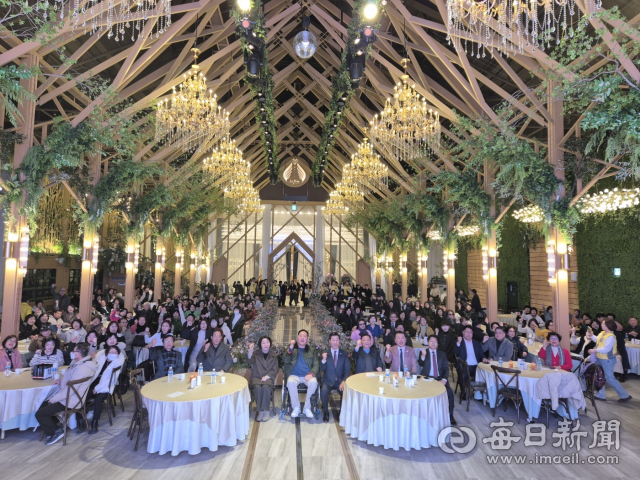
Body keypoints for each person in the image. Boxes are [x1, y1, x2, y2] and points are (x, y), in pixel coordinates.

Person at [35, 343, 98, 445]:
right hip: (69, 396)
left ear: (78, 354)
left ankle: (55, 432)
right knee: (42, 405)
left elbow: (70, 391)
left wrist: (54, 399)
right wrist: (61, 382)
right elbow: (72, 384)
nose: (72, 353)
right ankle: (56, 425)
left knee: (40, 413)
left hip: (70, 401)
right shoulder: (80, 363)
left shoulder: (82, 369)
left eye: (74, 351)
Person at [85, 345, 126, 433]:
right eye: (111, 352)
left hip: (105, 387)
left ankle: (94, 422)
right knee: (83, 396)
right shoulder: (101, 359)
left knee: (98, 399)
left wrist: (97, 388)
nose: (113, 354)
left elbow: (109, 381)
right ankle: (81, 420)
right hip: (94, 383)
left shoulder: (116, 365)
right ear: (107, 353)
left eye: (115, 353)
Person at [590, 319, 632, 402]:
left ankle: (624, 395)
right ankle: (601, 395)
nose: (601, 325)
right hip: (600, 358)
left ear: (608, 326)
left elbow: (606, 349)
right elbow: (597, 340)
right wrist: (591, 336)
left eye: (603, 324)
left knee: (610, 378)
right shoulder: (603, 333)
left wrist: (595, 350)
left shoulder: (611, 337)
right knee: (600, 377)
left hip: (607, 360)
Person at [419, 336, 456, 425]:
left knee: (449, 392)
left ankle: (450, 415)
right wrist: (423, 356)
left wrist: (444, 379)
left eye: (435, 341)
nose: (433, 343)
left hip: (439, 378)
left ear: (438, 344)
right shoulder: (423, 352)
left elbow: (446, 368)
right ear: (428, 343)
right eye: (431, 341)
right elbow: (420, 363)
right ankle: (425, 415)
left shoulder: (442, 354)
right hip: (427, 378)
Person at [283, 329, 319, 418]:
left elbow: (316, 364)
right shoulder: (292, 348)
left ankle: (307, 408)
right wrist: (291, 347)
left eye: (305, 336)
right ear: (297, 338)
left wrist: (311, 374)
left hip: (308, 376)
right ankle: (296, 407)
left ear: (307, 339)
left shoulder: (312, 350)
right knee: (290, 382)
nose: (302, 338)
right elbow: (285, 361)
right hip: (294, 375)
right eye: (301, 336)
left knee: (314, 382)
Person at [319, 333, 350, 422]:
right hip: (328, 381)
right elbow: (322, 369)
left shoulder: (344, 353)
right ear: (329, 341)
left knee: (345, 392)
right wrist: (324, 360)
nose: (335, 342)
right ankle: (326, 412)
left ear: (339, 342)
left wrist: (344, 381)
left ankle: (342, 413)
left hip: (340, 381)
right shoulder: (326, 353)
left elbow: (347, 370)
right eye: (333, 340)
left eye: (337, 340)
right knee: (323, 392)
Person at [247, 336, 278, 422]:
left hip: (268, 378)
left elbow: (275, 369)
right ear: (260, 344)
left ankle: (266, 411)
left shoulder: (273, 355)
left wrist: (267, 377)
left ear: (270, 343)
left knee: (265, 388)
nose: (265, 344)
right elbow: (249, 361)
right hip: (256, 377)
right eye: (263, 342)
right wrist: (250, 350)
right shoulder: (256, 353)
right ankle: (260, 411)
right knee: (257, 388)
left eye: (267, 342)